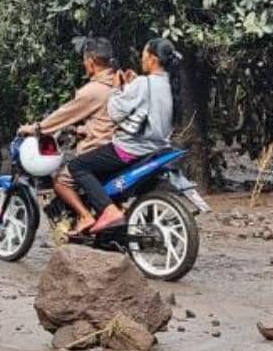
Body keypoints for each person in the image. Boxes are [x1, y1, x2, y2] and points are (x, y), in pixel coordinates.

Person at [67, 38, 181, 233]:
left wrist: (116, 89)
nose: (141, 58)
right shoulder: (168, 83)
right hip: (158, 147)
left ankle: (108, 211)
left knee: (77, 166)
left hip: (129, 149)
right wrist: (131, 85)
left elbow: (115, 112)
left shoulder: (144, 82)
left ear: (153, 59)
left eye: (144, 54)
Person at [17, 37, 117, 235]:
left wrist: (37, 128)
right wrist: (82, 130)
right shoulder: (117, 84)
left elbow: (64, 114)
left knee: (61, 180)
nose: (83, 64)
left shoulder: (92, 91)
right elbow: (107, 119)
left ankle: (84, 216)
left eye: (84, 60)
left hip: (97, 147)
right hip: (112, 145)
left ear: (91, 61)